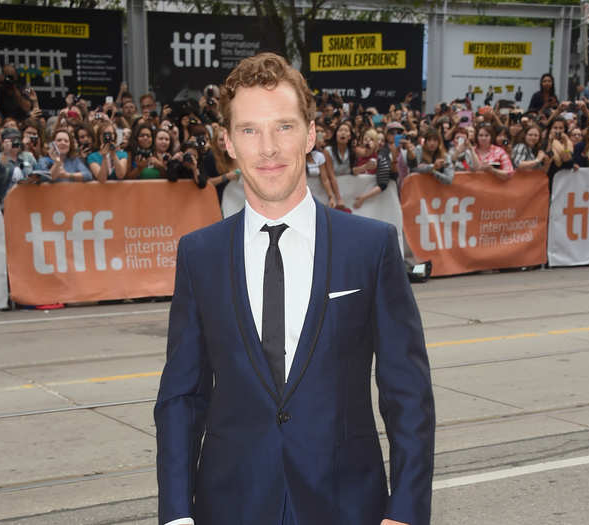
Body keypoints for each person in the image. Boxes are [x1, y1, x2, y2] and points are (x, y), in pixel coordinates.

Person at [155, 52, 434, 525]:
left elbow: (406, 391)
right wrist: (178, 514)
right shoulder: (199, 255)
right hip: (230, 506)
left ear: (311, 135)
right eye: (249, 130)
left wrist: (406, 511)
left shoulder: (370, 247)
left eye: (284, 127)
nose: (268, 148)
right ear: (227, 141)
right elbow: (183, 396)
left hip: (348, 504)